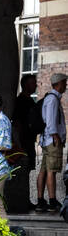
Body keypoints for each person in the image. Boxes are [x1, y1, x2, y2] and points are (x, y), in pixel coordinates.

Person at [34, 72, 67, 212]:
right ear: (58, 84)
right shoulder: (53, 99)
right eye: (64, 83)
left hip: (47, 140)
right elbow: (51, 121)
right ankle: (52, 201)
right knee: (51, 171)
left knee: (44, 170)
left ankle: (41, 200)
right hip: (52, 140)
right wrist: (56, 137)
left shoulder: (51, 98)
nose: (65, 85)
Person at [13, 73, 39, 207]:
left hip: (28, 140)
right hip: (24, 141)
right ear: (26, 85)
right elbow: (17, 123)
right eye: (33, 83)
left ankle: (25, 199)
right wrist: (19, 143)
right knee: (23, 169)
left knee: (27, 169)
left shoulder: (28, 100)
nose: (35, 85)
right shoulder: (22, 101)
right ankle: (22, 200)